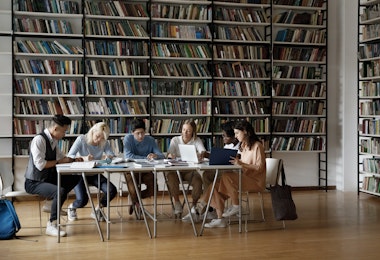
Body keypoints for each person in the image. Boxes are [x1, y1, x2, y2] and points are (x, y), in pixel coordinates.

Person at [200, 120, 266, 228]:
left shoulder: (257, 146)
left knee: (226, 176)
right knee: (215, 187)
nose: (235, 136)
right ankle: (220, 219)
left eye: (237, 133)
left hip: (255, 181)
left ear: (245, 132)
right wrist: (237, 164)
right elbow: (242, 165)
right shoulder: (243, 146)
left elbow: (259, 167)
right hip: (244, 178)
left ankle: (236, 205)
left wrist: (240, 163)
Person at [24, 115, 81, 237]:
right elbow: (40, 165)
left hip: (47, 178)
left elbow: (62, 157)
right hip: (34, 182)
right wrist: (61, 162)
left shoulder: (54, 141)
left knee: (76, 177)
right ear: (55, 129)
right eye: (64, 131)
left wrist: (77, 159)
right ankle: (52, 224)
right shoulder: (39, 140)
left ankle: (51, 203)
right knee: (60, 192)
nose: (64, 134)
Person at [66, 122, 117, 222]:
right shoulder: (82, 139)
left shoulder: (103, 142)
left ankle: (97, 209)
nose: (99, 140)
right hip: (79, 174)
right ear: (92, 131)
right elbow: (69, 156)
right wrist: (83, 158)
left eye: (102, 138)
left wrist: (109, 157)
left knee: (112, 190)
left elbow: (111, 156)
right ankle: (72, 207)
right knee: (82, 200)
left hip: (94, 173)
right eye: (97, 136)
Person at [166, 119, 206, 222]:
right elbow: (168, 154)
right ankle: (177, 203)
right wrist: (171, 155)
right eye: (184, 130)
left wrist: (200, 154)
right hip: (175, 169)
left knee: (198, 181)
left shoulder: (196, 140)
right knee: (171, 177)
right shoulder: (175, 139)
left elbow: (203, 151)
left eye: (188, 131)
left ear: (193, 131)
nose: (185, 132)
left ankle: (193, 206)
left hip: (190, 170)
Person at [123, 118, 165, 214]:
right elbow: (128, 156)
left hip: (146, 170)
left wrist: (156, 156)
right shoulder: (128, 138)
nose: (141, 136)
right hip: (131, 171)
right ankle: (135, 200)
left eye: (142, 132)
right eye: (137, 133)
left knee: (154, 189)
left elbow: (162, 155)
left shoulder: (150, 140)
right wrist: (146, 158)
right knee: (133, 190)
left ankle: (133, 199)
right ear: (132, 132)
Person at [201, 121, 240, 220]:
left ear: (234, 137)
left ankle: (205, 207)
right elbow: (222, 158)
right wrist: (208, 156)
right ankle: (209, 206)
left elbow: (232, 160)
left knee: (213, 185)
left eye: (225, 136)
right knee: (206, 175)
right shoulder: (228, 145)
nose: (223, 138)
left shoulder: (240, 147)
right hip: (224, 171)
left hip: (232, 174)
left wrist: (209, 156)